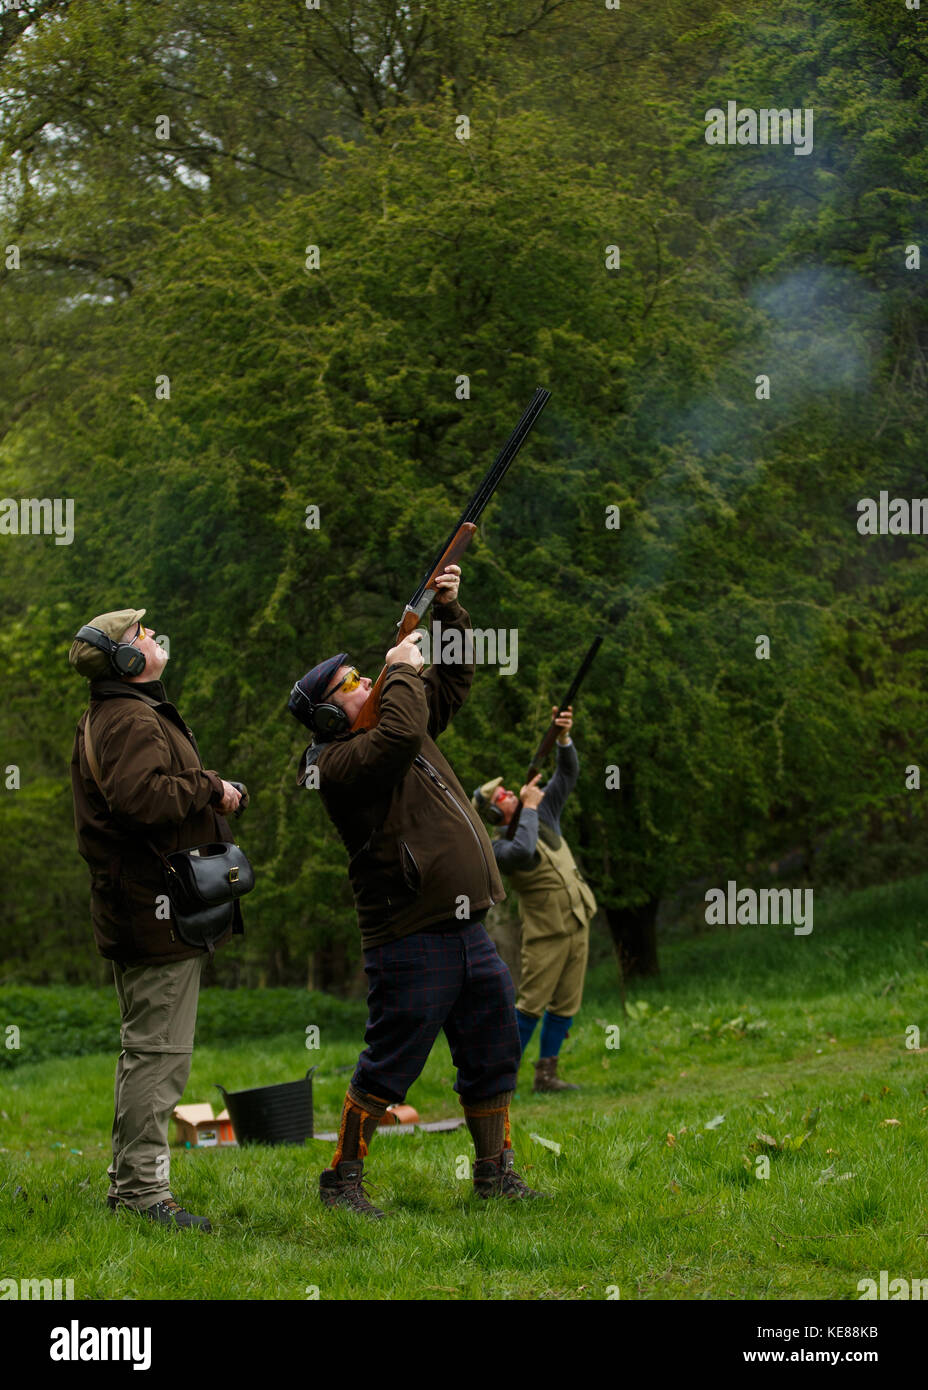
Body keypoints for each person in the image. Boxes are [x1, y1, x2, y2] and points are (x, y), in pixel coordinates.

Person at [288, 565, 545, 1217]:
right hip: (408, 935)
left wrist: (450, 614)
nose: (366, 683)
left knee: (492, 1050)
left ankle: (494, 1172)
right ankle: (342, 1179)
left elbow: (451, 684)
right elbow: (401, 730)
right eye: (351, 686)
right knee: (388, 1066)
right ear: (324, 714)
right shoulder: (334, 765)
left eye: (363, 675)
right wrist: (402, 662)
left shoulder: (393, 725)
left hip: (465, 926)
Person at [69, 608, 244, 1231]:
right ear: (123, 661)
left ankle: (130, 1187)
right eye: (139, 634)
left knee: (146, 1051)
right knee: (159, 1055)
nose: (151, 636)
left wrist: (200, 785)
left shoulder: (118, 714)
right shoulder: (127, 719)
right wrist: (211, 787)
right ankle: (144, 1196)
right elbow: (143, 800)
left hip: (147, 906)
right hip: (155, 911)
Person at [472, 705, 597, 1093]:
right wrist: (526, 807)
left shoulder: (542, 816)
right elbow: (525, 852)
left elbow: (568, 774)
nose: (511, 792)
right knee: (529, 1007)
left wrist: (562, 739)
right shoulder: (499, 847)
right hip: (546, 934)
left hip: (577, 921)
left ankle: (547, 1076)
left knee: (565, 1006)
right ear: (495, 812)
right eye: (504, 795)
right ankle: (500, 1081)